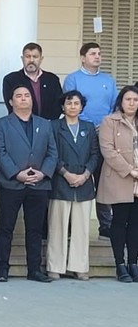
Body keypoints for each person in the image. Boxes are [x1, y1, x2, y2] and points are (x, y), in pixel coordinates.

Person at [0, 84, 58, 283]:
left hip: (39, 185)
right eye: (18, 96)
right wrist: (16, 173)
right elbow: (0, 152)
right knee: (5, 227)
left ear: (32, 100)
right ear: (11, 102)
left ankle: (34, 270)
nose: (23, 98)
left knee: (35, 229)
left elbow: (52, 152)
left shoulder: (45, 124)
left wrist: (43, 173)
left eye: (27, 95)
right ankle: (2, 269)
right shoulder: (1, 124)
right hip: (11, 184)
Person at [63, 42, 118, 239]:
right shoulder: (73, 79)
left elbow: (114, 106)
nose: (97, 56)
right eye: (93, 53)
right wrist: (87, 124)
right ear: (83, 57)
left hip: (105, 133)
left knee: (103, 179)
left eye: (99, 53)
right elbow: (70, 104)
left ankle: (105, 225)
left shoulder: (108, 80)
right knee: (78, 175)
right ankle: (70, 224)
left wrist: (105, 125)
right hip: (81, 132)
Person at [47, 90, 99, 280]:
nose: (73, 107)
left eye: (76, 104)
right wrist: (65, 173)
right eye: (69, 103)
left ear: (82, 107)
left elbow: (95, 154)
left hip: (84, 183)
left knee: (81, 228)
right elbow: (51, 153)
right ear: (63, 106)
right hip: (61, 181)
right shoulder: (54, 126)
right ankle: (55, 265)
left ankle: (79, 266)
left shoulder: (89, 127)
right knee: (57, 226)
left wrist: (85, 175)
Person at [96, 85, 138, 283]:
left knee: (136, 224)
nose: (132, 103)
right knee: (120, 221)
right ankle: (120, 264)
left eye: (135, 100)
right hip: (120, 177)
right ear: (121, 101)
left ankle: (133, 263)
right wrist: (130, 170)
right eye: (128, 99)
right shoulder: (109, 121)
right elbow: (107, 150)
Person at [2, 43, 63, 121]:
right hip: (20, 126)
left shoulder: (52, 79)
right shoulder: (11, 79)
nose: (31, 60)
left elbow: (58, 104)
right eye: (28, 56)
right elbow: (11, 105)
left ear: (41, 59)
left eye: (35, 57)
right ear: (22, 58)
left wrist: (45, 124)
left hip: (48, 125)